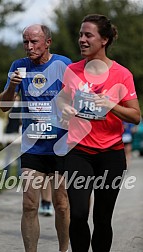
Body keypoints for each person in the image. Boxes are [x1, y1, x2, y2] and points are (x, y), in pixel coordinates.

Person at [57, 14, 141, 252]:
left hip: (111, 155)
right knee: (79, 214)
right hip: (78, 153)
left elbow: (135, 116)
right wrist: (64, 107)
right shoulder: (72, 70)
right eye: (80, 34)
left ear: (104, 40)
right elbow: (61, 99)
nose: (81, 39)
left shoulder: (122, 74)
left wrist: (110, 105)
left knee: (102, 218)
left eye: (88, 35)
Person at [0, 24, 71, 252]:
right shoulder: (18, 67)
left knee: (61, 205)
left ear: (47, 42)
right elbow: (4, 106)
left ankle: (63, 249)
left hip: (60, 145)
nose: (28, 47)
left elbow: (77, 97)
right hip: (32, 146)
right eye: (25, 42)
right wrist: (12, 86)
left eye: (34, 42)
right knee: (29, 204)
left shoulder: (63, 64)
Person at [4, 95, 21, 180]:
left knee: (8, 155)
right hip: (15, 133)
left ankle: (6, 175)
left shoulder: (10, 108)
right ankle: (19, 175)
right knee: (17, 155)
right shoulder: (20, 108)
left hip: (10, 133)